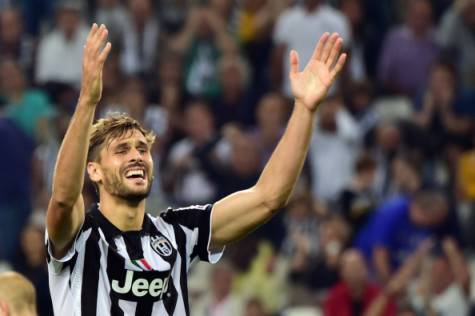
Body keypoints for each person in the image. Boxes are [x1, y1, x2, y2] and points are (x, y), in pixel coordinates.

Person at [45, 23, 347, 315]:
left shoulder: (178, 232)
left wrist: (305, 110)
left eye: (142, 149)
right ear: (94, 171)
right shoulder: (80, 235)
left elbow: (268, 198)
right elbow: (62, 199)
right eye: (121, 151)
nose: (136, 156)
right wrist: (87, 101)